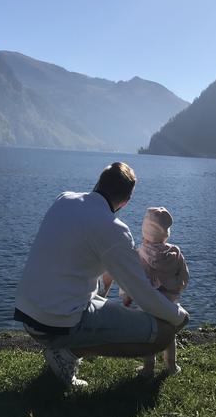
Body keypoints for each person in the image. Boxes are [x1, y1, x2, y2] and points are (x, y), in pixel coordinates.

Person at [13, 162, 189, 387]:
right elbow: (142, 293)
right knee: (164, 333)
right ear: (126, 201)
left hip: (27, 313)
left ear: (98, 183)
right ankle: (66, 353)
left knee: (103, 306)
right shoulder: (113, 228)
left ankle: (64, 349)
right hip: (56, 322)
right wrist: (179, 317)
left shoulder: (64, 199)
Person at [122, 207, 189, 377]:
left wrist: (127, 297)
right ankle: (171, 366)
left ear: (145, 232)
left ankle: (148, 368)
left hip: (149, 305)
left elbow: (133, 279)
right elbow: (184, 277)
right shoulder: (175, 253)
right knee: (169, 334)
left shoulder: (140, 254)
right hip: (170, 303)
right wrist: (177, 288)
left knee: (150, 335)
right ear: (166, 233)